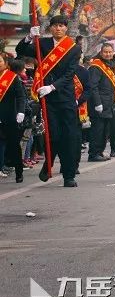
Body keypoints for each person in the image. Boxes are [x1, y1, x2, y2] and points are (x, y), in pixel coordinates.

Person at [16, 15, 81, 187]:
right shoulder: (42, 44)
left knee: (68, 136)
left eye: (61, 26)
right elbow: (20, 51)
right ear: (50, 28)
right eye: (55, 26)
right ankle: (49, 162)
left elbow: (69, 74)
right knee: (53, 134)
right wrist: (29, 37)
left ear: (66, 28)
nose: (58, 29)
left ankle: (68, 175)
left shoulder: (74, 49)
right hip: (48, 99)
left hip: (65, 96)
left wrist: (52, 87)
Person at [87, 42, 115, 162]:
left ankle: (99, 151)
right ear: (101, 52)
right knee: (97, 130)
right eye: (105, 52)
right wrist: (97, 103)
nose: (108, 54)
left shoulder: (110, 65)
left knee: (105, 130)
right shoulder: (96, 66)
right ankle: (93, 153)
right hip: (99, 104)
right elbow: (93, 86)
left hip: (108, 104)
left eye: (110, 52)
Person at [0, 53, 27, 183]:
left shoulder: (12, 78)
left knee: (13, 146)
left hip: (10, 116)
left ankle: (19, 171)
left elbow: (21, 96)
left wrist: (21, 111)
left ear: (6, 64)